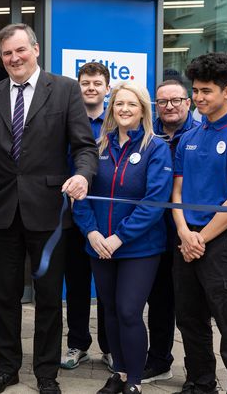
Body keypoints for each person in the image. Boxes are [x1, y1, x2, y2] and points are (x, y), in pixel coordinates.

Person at [0, 23, 98, 394]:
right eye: (7, 53)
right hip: (2, 212)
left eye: (20, 50)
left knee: (47, 298)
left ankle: (46, 374)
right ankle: (6, 368)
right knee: (4, 295)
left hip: (48, 211)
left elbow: (85, 147)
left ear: (36, 49)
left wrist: (85, 176)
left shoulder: (64, 89)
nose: (14, 59)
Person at [72, 81, 172, 394]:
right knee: (111, 311)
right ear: (111, 108)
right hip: (99, 244)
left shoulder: (156, 147)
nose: (124, 109)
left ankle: (135, 382)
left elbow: (155, 201)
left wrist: (119, 238)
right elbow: (80, 195)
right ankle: (119, 373)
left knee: (129, 310)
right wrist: (92, 232)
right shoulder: (98, 146)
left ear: (142, 109)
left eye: (131, 104)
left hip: (139, 248)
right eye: (119, 104)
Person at [172, 52, 227, 394]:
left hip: (225, 243)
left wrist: (199, 239)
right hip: (187, 238)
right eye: (196, 90)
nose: (198, 98)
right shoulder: (188, 137)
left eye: (206, 91)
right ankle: (201, 383)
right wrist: (183, 233)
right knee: (189, 319)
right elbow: (175, 193)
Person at [141, 79, 199, 385]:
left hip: (192, 234)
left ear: (188, 102)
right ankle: (159, 360)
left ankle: (197, 372)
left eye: (176, 100)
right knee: (160, 301)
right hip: (156, 234)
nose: (169, 107)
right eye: (162, 102)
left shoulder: (201, 134)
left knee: (191, 308)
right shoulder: (150, 137)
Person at [61, 61, 111, 371]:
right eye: (85, 83)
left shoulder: (117, 121)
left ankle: (110, 347)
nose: (90, 87)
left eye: (96, 83)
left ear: (107, 88)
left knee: (107, 288)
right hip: (71, 218)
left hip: (106, 219)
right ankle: (77, 343)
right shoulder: (66, 122)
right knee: (76, 285)